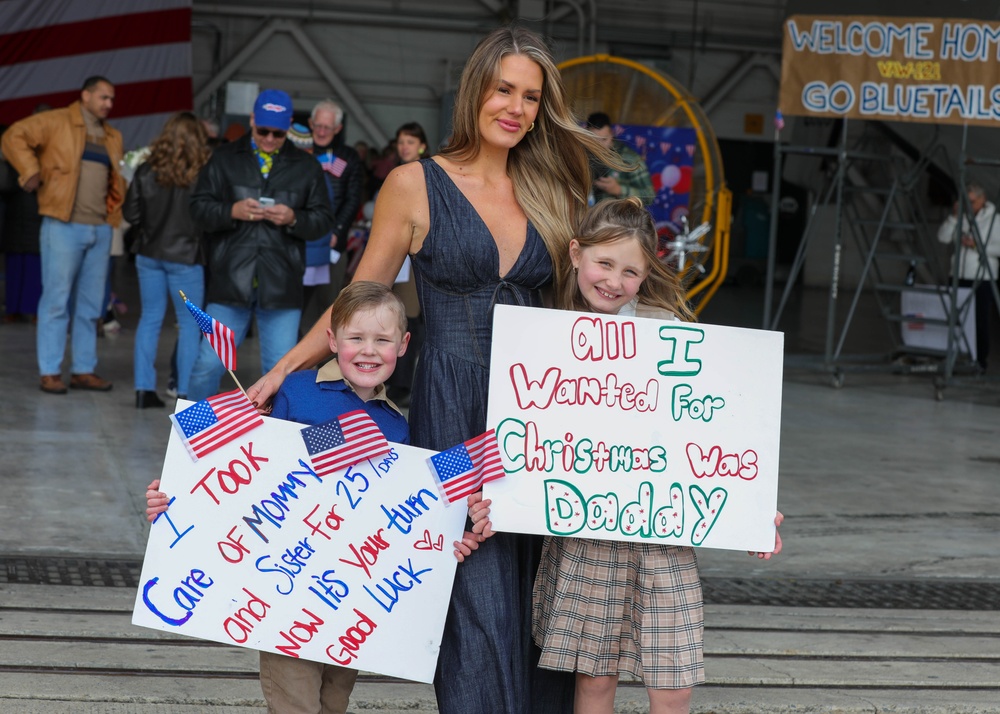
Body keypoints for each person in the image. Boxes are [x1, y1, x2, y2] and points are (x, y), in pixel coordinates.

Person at [246, 24, 629, 714]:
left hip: (535, 416)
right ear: (476, 91)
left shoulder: (556, 191)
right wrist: (281, 371)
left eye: (531, 98)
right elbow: (357, 300)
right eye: (503, 89)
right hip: (450, 413)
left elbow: (596, 304)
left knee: (540, 597)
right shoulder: (414, 184)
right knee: (473, 601)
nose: (515, 107)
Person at [146, 280, 483, 714]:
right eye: (355, 338)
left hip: (349, 598)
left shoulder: (399, 428)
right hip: (280, 591)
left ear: (403, 346)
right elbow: (238, 472)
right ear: (331, 340)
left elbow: (406, 515)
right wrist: (176, 497)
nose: (368, 350)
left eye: (382, 340)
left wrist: (447, 536)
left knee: (334, 700)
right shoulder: (292, 392)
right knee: (295, 702)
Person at [511, 197, 782, 714]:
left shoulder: (669, 330)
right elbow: (521, 432)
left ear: (646, 274)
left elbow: (721, 428)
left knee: (674, 680)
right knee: (595, 679)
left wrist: (753, 508)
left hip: (665, 532)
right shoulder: (542, 334)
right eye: (604, 263)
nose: (614, 280)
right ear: (575, 254)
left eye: (630, 271)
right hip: (587, 533)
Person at [185, 89, 334, 401]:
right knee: (208, 365)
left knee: (280, 374)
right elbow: (197, 208)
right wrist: (231, 211)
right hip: (229, 280)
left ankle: (274, 443)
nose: (268, 138)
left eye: (277, 133)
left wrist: (293, 217)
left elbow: (322, 219)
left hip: (281, 284)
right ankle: (193, 435)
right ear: (252, 120)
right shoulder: (224, 157)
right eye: (262, 130)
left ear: (290, 126)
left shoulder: (306, 167)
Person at [1, 76, 125, 394]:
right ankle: (50, 371)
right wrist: (29, 171)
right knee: (56, 300)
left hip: (100, 226)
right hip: (62, 223)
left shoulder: (112, 135)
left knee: (90, 305)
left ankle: (83, 369)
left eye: (111, 99)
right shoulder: (57, 121)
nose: (109, 104)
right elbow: (13, 135)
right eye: (103, 97)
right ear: (85, 96)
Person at [123, 112, 211, 408]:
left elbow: (130, 215)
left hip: (149, 254)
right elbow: (208, 218)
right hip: (186, 257)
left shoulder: (147, 170)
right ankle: (184, 394)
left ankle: (143, 390)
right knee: (189, 326)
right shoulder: (202, 173)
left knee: (149, 320)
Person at [300, 100, 366, 329]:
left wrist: (338, 230)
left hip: (332, 243)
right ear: (310, 123)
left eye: (326, 127)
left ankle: (326, 361)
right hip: (300, 241)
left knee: (330, 306)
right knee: (299, 306)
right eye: (317, 125)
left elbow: (352, 199)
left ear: (337, 128)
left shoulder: (348, 157)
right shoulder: (299, 153)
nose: (320, 131)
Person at [936, 182, 1000, 370]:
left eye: (972, 202)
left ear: (982, 200)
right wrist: (954, 217)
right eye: (965, 201)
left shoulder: (995, 220)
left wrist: (976, 245)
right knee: (955, 319)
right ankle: (955, 356)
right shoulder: (960, 217)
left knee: (979, 319)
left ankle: (980, 359)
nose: (968, 205)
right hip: (957, 274)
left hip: (982, 277)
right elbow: (943, 237)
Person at [586, 111, 655, 206]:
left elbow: (649, 196)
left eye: (604, 139)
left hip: (619, 218)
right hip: (589, 217)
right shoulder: (581, 156)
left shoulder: (629, 158)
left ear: (611, 134)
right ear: (585, 137)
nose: (599, 145)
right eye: (593, 140)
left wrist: (619, 189)